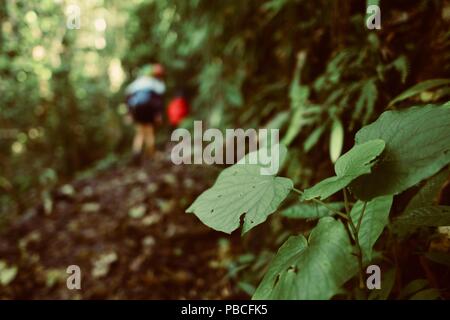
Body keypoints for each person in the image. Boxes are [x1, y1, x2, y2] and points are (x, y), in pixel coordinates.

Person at [125, 64, 165, 162]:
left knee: (140, 132)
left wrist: (129, 113)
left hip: (137, 109)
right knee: (149, 131)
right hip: (148, 108)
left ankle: (136, 151)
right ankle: (151, 154)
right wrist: (158, 114)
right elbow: (158, 99)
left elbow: (128, 96)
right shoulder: (155, 83)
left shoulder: (136, 83)